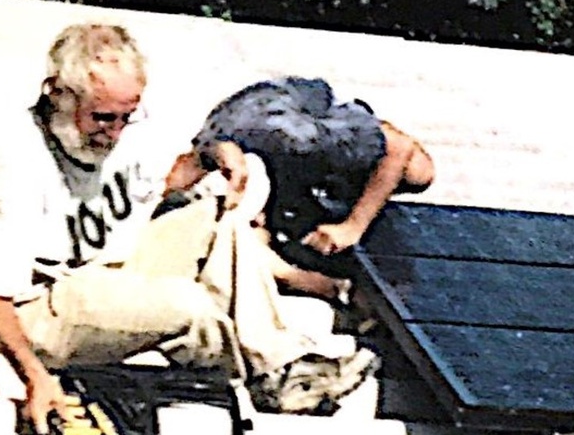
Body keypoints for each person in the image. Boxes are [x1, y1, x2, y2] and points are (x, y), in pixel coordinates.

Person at [0, 23, 376, 435]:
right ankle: (269, 371)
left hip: (105, 267)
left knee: (216, 218)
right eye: (103, 118)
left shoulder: (122, 131)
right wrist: (34, 376)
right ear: (57, 94)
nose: (115, 131)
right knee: (187, 304)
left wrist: (210, 156)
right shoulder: (14, 153)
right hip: (41, 304)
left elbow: (155, 184)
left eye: (127, 116)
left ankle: (280, 366)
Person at [157, 76, 435, 306]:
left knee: (418, 173)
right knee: (239, 239)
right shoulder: (217, 148)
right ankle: (308, 273)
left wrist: (353, 226)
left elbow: (399, 148)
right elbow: (184, 175)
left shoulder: (314, 137)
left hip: (310, 130)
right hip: (264, 149)